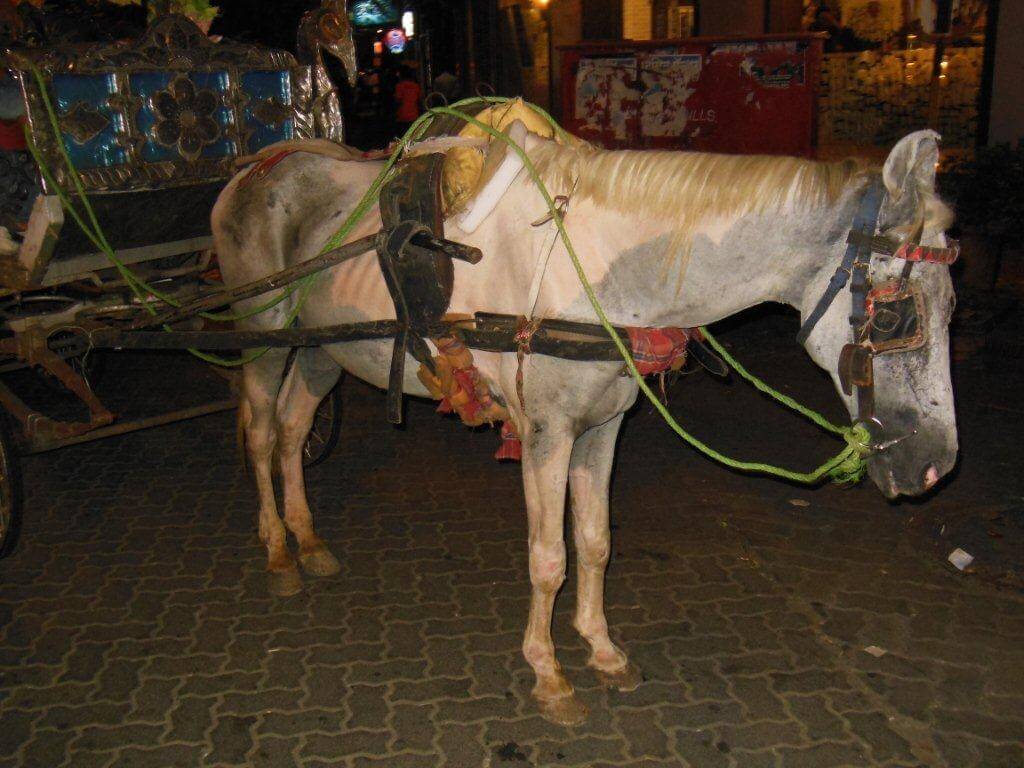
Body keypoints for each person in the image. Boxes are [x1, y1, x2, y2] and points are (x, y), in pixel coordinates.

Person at [393, 66, 422, 138]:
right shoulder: (416, 86)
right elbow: (419, 100)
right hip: (414, 115)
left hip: (402, 115)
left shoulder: (399, 86)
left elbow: (398, 101)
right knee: (413, 136)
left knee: (403, 137)